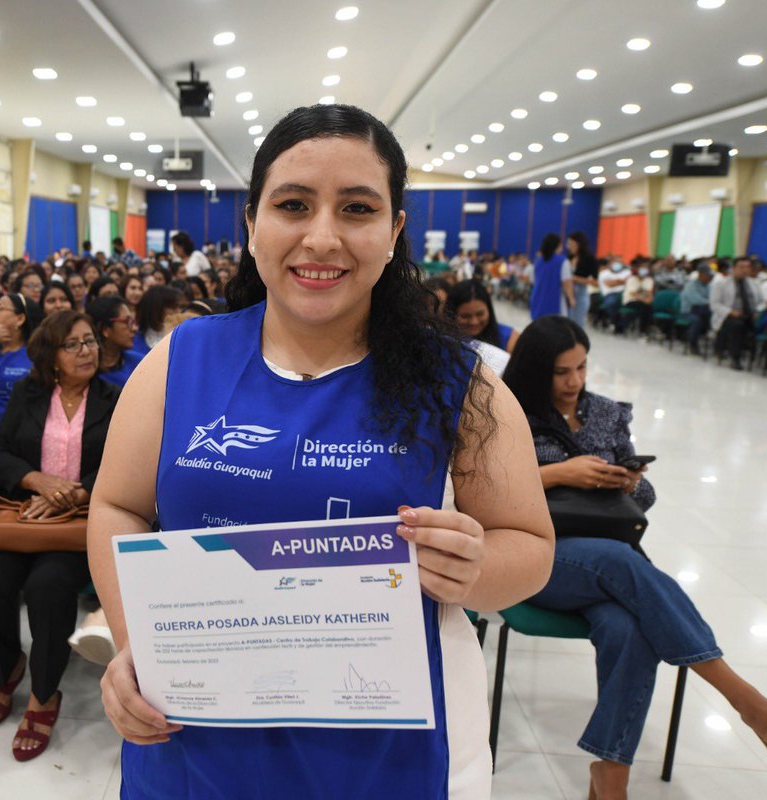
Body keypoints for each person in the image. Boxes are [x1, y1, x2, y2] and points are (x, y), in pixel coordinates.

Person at [87, 103, 555, 798]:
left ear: (394, 230)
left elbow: (532, 548)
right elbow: (118, 506)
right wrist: (140, 649)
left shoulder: (458, 382)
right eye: (294, 205)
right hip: (194, 734)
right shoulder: (181, 359)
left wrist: (477, 569)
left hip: (383, 747)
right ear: (251, 224)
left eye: (358, 209)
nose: (322, 237)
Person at [501, 316, 767, 799]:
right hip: (538, 555)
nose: (574, 382)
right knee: (622, 562)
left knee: (627, 626)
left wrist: (630, 484)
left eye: (581, 368)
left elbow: (645, 497)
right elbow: (489, 493)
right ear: (536, 372)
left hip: (606, 556)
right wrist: (560, 474)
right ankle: (748, 702)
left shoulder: (607, 414)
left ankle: (610, 775)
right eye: (561, 372)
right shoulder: (508, 415)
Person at [0, 310, 120, 761]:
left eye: (90, 341)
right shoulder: (28, 393)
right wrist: (38, 482)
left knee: (47, 586)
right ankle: (7, 665)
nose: (86, 351)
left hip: (79, 521)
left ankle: (45, 692)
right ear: (51, 356)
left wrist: (73, 492)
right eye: (72, 345)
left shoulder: (113, 398)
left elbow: (123, 458)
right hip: (26, 515)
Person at [710, 256, 759, 370]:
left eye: (747, 267)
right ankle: (735, 357)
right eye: (741, 267)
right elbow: (714, 304)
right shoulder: (721, 283)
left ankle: (757, 357)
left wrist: (757, 311)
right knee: (737, 325)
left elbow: (762, 301)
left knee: (759, 326)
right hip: (728, 316)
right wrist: (730, 312)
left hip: (749, 315)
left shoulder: (754, 284)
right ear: (734, 268)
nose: (744, 270)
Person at [445, 279, 519, 352]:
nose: (474, 322)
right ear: (451, 314)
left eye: (480, 314)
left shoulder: (510, 339)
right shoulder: (442, 342)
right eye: (465, 316)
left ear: (489, 310)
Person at [87, 296, 142, 387]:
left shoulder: (139, 363)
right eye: (127, 321)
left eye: (133, 322)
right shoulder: (86, 373)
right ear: (105, 329)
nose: (134, 329)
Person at [130, 285, 184, 358]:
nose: (178, 312)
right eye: (173, 307)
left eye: (179, 307)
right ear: (156, 309)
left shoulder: (181, 337)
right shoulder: (134, 341)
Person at [530, 233, 572, 320]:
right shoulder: (563, 261)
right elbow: (567, 283)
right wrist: (571, 298)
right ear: (557, 246)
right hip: (554, 302)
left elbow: (533, 281)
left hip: (537, 300)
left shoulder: (538, 261)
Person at [679, 265, 713, 355]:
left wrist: (711, 303)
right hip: (688, 312)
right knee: (697, 321)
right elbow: (695, 300)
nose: (710, 278)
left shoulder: (709, 286)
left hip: (703, 311)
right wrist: (709, 302)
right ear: (700, 274)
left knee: (713, 317)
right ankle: (693, 344)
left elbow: (713, 298)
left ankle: (717, 345)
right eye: (708, 275)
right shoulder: (691, 285)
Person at [567, 232, 597, 328]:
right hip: (567, 293)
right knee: (566, 324)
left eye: (571, 244)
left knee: (577, 325)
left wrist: (574, 278)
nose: (569, 247)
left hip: (580, 294)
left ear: (578, 244)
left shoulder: (589, 259)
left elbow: (595, 282)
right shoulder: (569, 257)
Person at [618, 259, 654, 335]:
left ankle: (646, 329)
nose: (644, 270)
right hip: (630, 300)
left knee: (649, 307)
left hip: (643, 301)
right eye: (642, 268)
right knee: (645, 307)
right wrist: (645, 300)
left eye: (646, 268)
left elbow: (649, 292)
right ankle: (642, 331)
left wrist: (650, 299)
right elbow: (633, 293)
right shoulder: (632, 279)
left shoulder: (649, 280)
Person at [597, 259, 630, 329]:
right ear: (610, 264)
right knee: (611, 303)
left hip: (625, 293)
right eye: (615, 263)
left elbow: (629, 281)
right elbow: (609, 284)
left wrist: (617, 282)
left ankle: (619, 324)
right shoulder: (604, 273)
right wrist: (622, 281)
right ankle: (613, 322)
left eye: (619, 263)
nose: (617, 265)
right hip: (610, 294)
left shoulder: (626, 272)